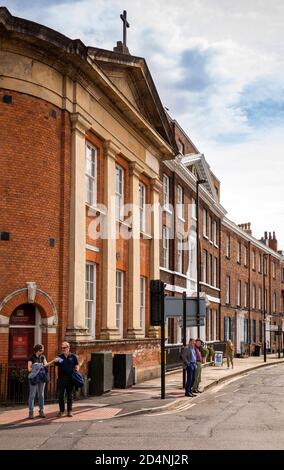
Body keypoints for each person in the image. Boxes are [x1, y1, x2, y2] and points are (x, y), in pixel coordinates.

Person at [27, 344, 55, 419]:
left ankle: (41, 411)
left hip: (42, 378)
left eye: (42, 350)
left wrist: (53, 361)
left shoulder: (43, 357)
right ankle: (31, 412)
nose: (42, 351)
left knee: (41, 395)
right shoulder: (31, 357)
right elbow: (29, 369)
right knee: (32, 395)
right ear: (37, 350)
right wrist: (35, 366)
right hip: (34, 378)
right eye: (41, 350)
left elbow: (45, 365)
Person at [55, 341, 79, 417]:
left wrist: (76, 371)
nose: (63, 349)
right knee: (61, 395)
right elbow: (56, 368)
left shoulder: (73, 356)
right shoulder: (59, 357)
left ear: (68, 348)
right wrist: (57, 377)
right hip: (61, 379)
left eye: (64, 348)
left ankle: (69, 411)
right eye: (62, 348)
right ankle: (61, 411)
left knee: (69, 395)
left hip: (70, 379)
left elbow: (76, 365)